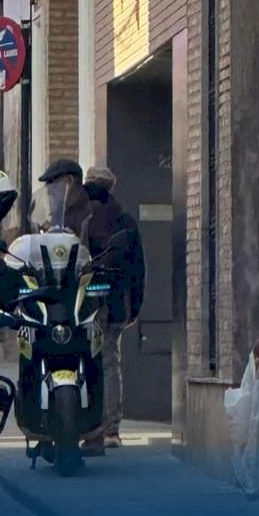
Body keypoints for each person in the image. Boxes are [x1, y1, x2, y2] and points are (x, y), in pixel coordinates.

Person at [83, 166, 145, 451]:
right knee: (109, 361)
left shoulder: (82, 218)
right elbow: (138, 269)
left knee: (93, 362)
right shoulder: (125, 220)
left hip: (89, 303)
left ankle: (94, 427)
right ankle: (109, 429)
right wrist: (135, 306)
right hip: (117, 303)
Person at [30, 158, 92, 236]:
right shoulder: (59, 212)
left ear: (69, 181)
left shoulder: (92, 211)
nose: (49, 191)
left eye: (52, 183)